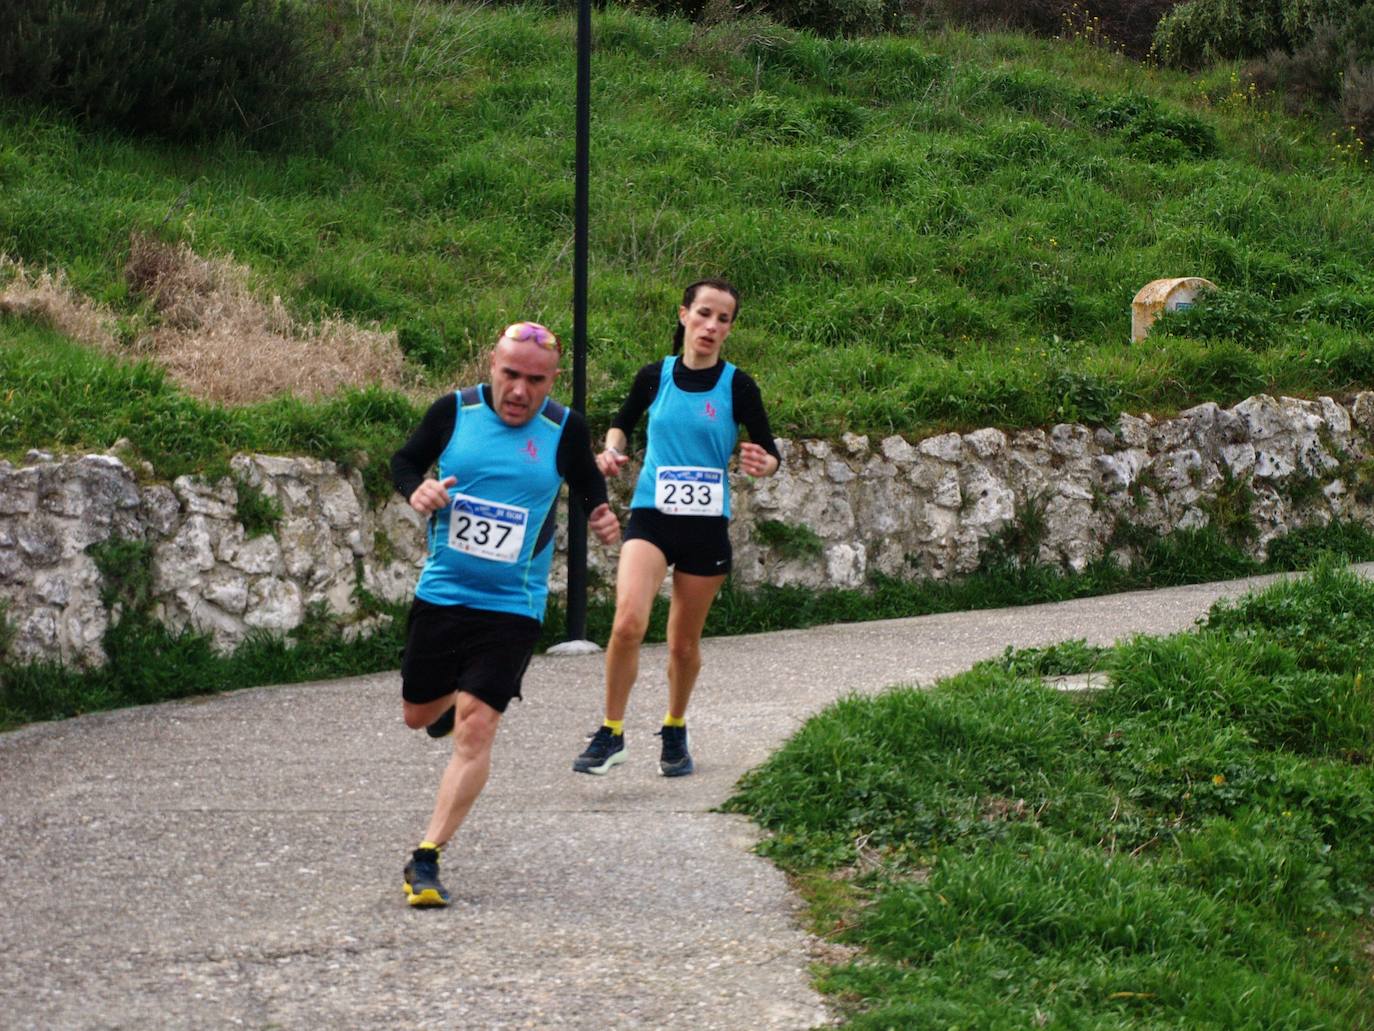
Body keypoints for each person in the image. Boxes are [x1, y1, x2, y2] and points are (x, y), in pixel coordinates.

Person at [391, 321, 620, 908]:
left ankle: (427, 856)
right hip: (443, 594)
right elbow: (405, 461)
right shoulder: (454, 412)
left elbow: (588, 482)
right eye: (510, 375)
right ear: (492, 367)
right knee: (419, 715)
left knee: (478, 727)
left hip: (512, 606)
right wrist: (416, 490)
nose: (520, 391)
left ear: (552, 382)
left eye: (535, 380)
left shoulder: (564, 428)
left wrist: (600, 513)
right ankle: (446, 706)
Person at [572, 278, 780, 779]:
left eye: (723, 319)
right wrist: (614, 448)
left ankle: (674, 727)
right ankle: (611, 731)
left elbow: (770, 451)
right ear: (684, 314)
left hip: (706, 526)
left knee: (683, 645)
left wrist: (763, 463)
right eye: (704, 313)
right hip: (653, 517)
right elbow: (622, 422)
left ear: (730, 328)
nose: (711, 326)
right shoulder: (654, 376)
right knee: (626, 623)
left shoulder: (738, 386)